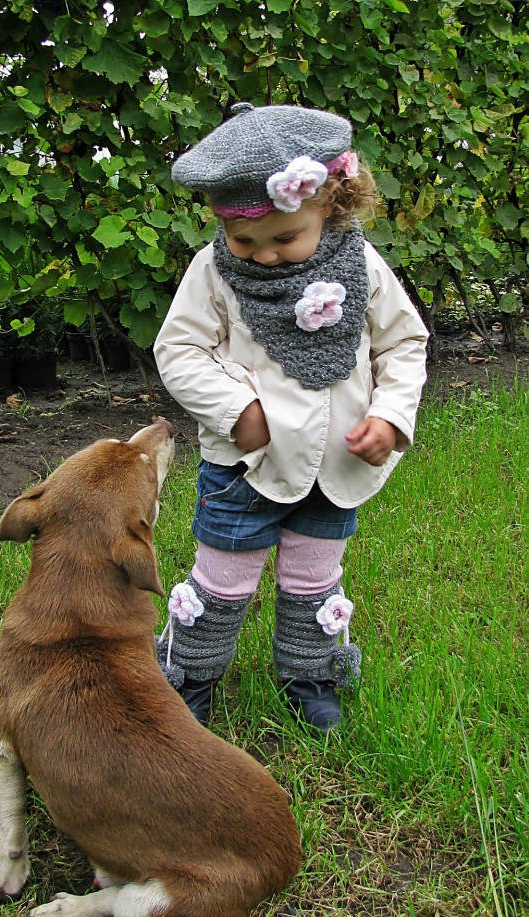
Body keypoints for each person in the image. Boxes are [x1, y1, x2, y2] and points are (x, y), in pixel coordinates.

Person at [154, 103, 428, 733]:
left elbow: (403, 344)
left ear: (329, 204)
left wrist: (388, 417)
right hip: (242, 467)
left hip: (335, 461)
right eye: (244, 240)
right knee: (221, 576)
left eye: (284, 238)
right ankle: (190, 675)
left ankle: (309, 673)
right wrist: (236, 410)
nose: (263, 255)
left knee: (314, 577)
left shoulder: (359, 267)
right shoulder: (214, 272)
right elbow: (179, 348)